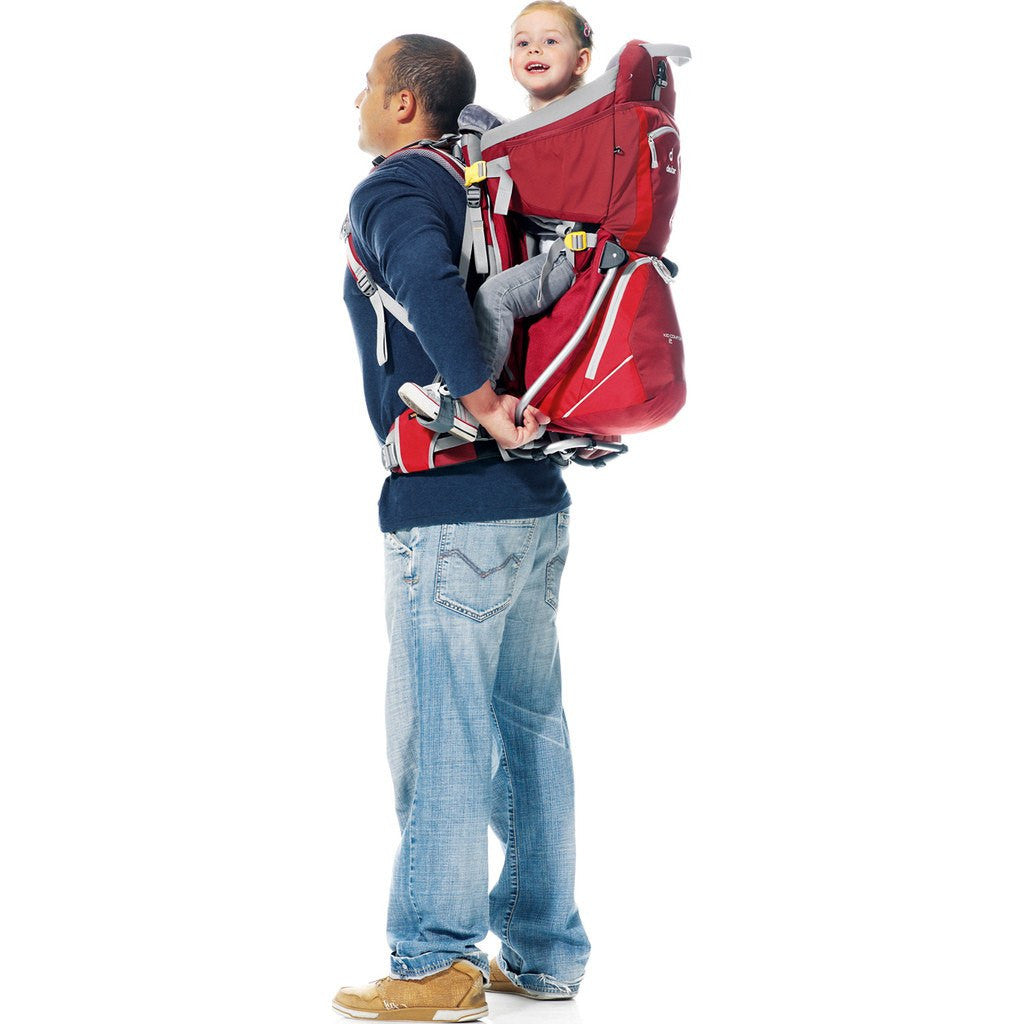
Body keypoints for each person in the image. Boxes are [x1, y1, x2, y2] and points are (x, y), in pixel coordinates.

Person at [331, 30, 591, 1023]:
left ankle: (435, 960)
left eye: (369, 85)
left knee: (441, 731)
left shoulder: (399, 186)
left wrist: (479, 404)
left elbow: (430, 288)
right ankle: (544, 949)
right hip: (535, 498)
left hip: (449, 506)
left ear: (405, 103)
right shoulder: (503, 185)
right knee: (530, 728)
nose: (358, 100)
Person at [397, 1, 595, 444]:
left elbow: (558, 197)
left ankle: (468, 403)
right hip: (563, 248)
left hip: (577, 251)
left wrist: (486, 132)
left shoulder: (581, 120)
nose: (534, 50)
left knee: (496, 296)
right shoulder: (541, 125)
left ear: (581, 61)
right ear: (510, 62)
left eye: (550, 40)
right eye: (523, 43)